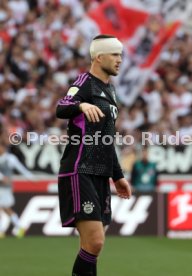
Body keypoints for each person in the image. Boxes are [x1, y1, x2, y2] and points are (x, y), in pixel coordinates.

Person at [56, 34, 131, 276]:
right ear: (99, 57)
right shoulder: (85, 81)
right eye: (115, 54)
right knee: (95, 241)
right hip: (80, 170)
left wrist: (117, 176)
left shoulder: (110, 89)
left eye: (121, 54)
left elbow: (107, 138)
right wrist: (81, 105)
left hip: (100, 174)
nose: (120, 60)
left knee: (92, 247)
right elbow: (62, 106)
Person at [0, 142, 34, 238]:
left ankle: (6, 230)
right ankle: (17, 227)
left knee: (5, 208)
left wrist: (31, 178)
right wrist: (2, 178)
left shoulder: (10, 158)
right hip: (1, 186)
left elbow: (21, 169)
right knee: (5, 209)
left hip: (5, 188)